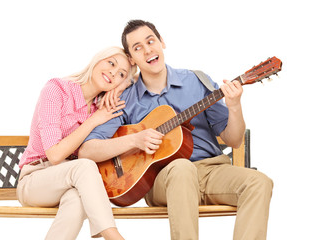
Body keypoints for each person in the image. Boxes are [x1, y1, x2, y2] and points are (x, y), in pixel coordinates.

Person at [78, 20, 273, 240]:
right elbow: (87, 150)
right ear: (132, 59)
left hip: (211, 171)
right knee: (181, 168)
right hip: (163, 179)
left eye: (151, 41)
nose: (148, 49)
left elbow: (234, 140)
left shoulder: (196, 81)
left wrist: (235, 106)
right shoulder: (125, 99)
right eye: (138, 47)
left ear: (162, 42)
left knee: (259, 182)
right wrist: (135, 140)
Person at [17, 46, 137, 240]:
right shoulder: (56, 89)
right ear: (98, 59)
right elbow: (55, 156)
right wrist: (93, 121)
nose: (113, 73)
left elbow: (141, 81)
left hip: (69, 185)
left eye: (121, 74)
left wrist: (122, 86)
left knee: (77, 200)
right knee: (85, 166)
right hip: (34, 180)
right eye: (111, 63)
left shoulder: (102, 107)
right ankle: (112, 235)